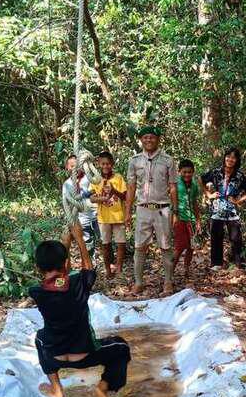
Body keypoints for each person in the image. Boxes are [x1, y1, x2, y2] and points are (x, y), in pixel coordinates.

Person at [29, 222, 131, 397]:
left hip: (54, 356)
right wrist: (79, 240)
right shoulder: (78, 284)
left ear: (38, 268)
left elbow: (59, 280)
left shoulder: (36, 292)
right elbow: (87, 270)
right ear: (65, 262)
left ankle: (56, 388)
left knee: (39, 337)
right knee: (121, 347)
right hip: (85, 355)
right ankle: (104, 387)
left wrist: (65, 244)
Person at [125, 126, 178, 295]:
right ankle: (139, 282)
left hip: (163, 209)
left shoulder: (168, 160)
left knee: (165, 246)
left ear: (158, 139)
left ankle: (168, 281)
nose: (148, 140)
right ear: (141, 140)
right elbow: (131, 187)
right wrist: (128, 212)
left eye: (152, 137)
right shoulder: (135, 161)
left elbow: (173, 186)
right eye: (145, 137)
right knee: (140, 246)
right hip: (143, 209)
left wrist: (175, 211)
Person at [202, 147, 246, 271]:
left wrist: (238, 201)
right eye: (228, 156)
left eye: (233, 157)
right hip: (217, 209)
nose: (230, 159)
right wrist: (209, 195)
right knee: (216, 236)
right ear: (224, 157)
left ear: (237, 160)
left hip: (232, 211)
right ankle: (216, 264)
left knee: (236, 238)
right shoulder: (216, 172)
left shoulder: (239, 176)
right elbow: (201, 179)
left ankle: (240, 263)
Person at [89, 151, 127, 280]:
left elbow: (125, 196)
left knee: (121, 243)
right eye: (103, 164)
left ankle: (119, 269)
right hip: (103, 218)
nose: (106, 166)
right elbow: (91, 198)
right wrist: (102, 198)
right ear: (99, 164)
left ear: (112, 164)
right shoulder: (96, 179)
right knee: (105, 244)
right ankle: (108, 270)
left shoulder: (118, 178)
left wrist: (113, 190)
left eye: (108, 164)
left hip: (118, 216)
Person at [61, 152, 99, 259]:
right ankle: (89, 263)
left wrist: (86, 194)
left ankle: (108, 263)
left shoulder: (89, 178)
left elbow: (96, 189)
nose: (74, 169)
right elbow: (66, 201)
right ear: (67, 167)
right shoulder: (67, 184)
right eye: (71, 166)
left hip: (96, 215)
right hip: (82, 219)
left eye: (76, 166)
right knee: (87, 244)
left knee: (103, 241)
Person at [172, 159, 202, 280]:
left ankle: (186, 269)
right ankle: (170, 272)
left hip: (191, 220)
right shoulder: (175, 183)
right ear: (179, 171)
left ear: (193, 172)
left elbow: (194, 203)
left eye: (189, 172)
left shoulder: (194, 185)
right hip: (179, 218)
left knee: (191, 246)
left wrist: (198, 220)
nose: (187, 174)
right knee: (179, 247)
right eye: (184, 172)